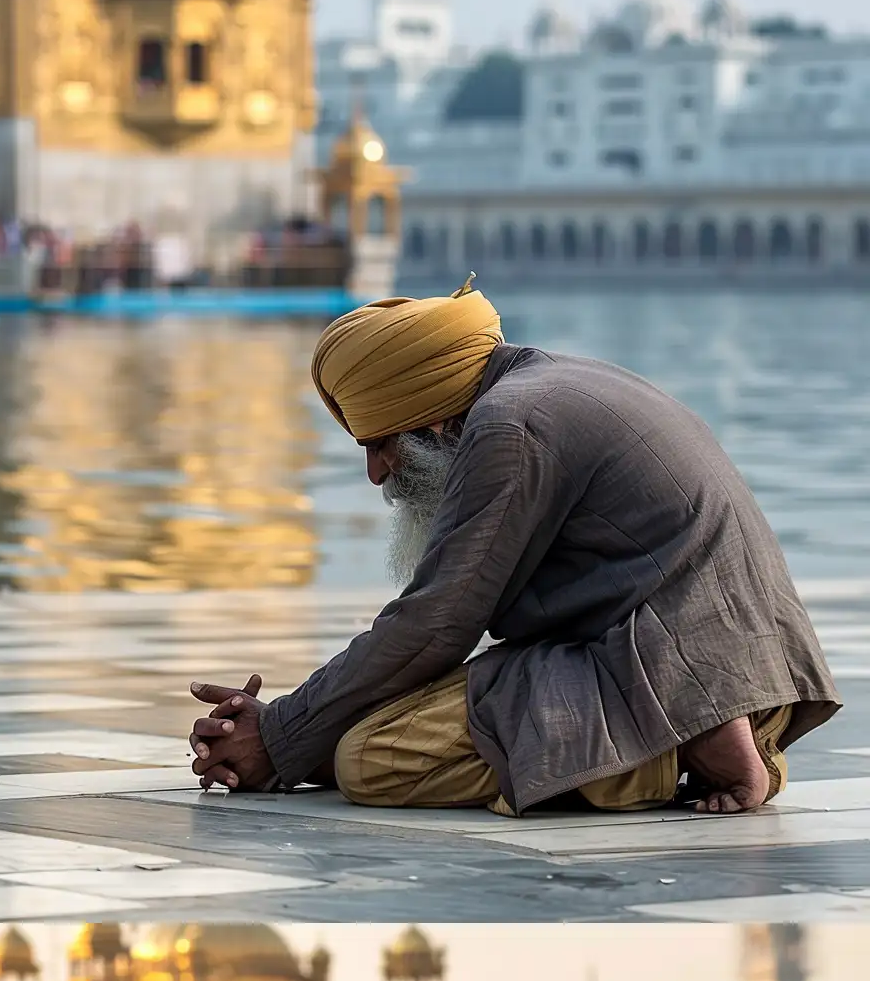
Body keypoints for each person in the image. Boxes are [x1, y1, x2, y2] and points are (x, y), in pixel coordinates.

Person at [188, 279, 839, 816]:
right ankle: (688, 735)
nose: (378, 475)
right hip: (669, 656)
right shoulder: (538, 392)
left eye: (380, 443)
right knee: (365, 726)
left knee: (371, 760)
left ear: (434, 414)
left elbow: (434, 624)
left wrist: (277, 737)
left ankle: (676, 753)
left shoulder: (511, 427)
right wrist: (282, 727)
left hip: (679, 671)